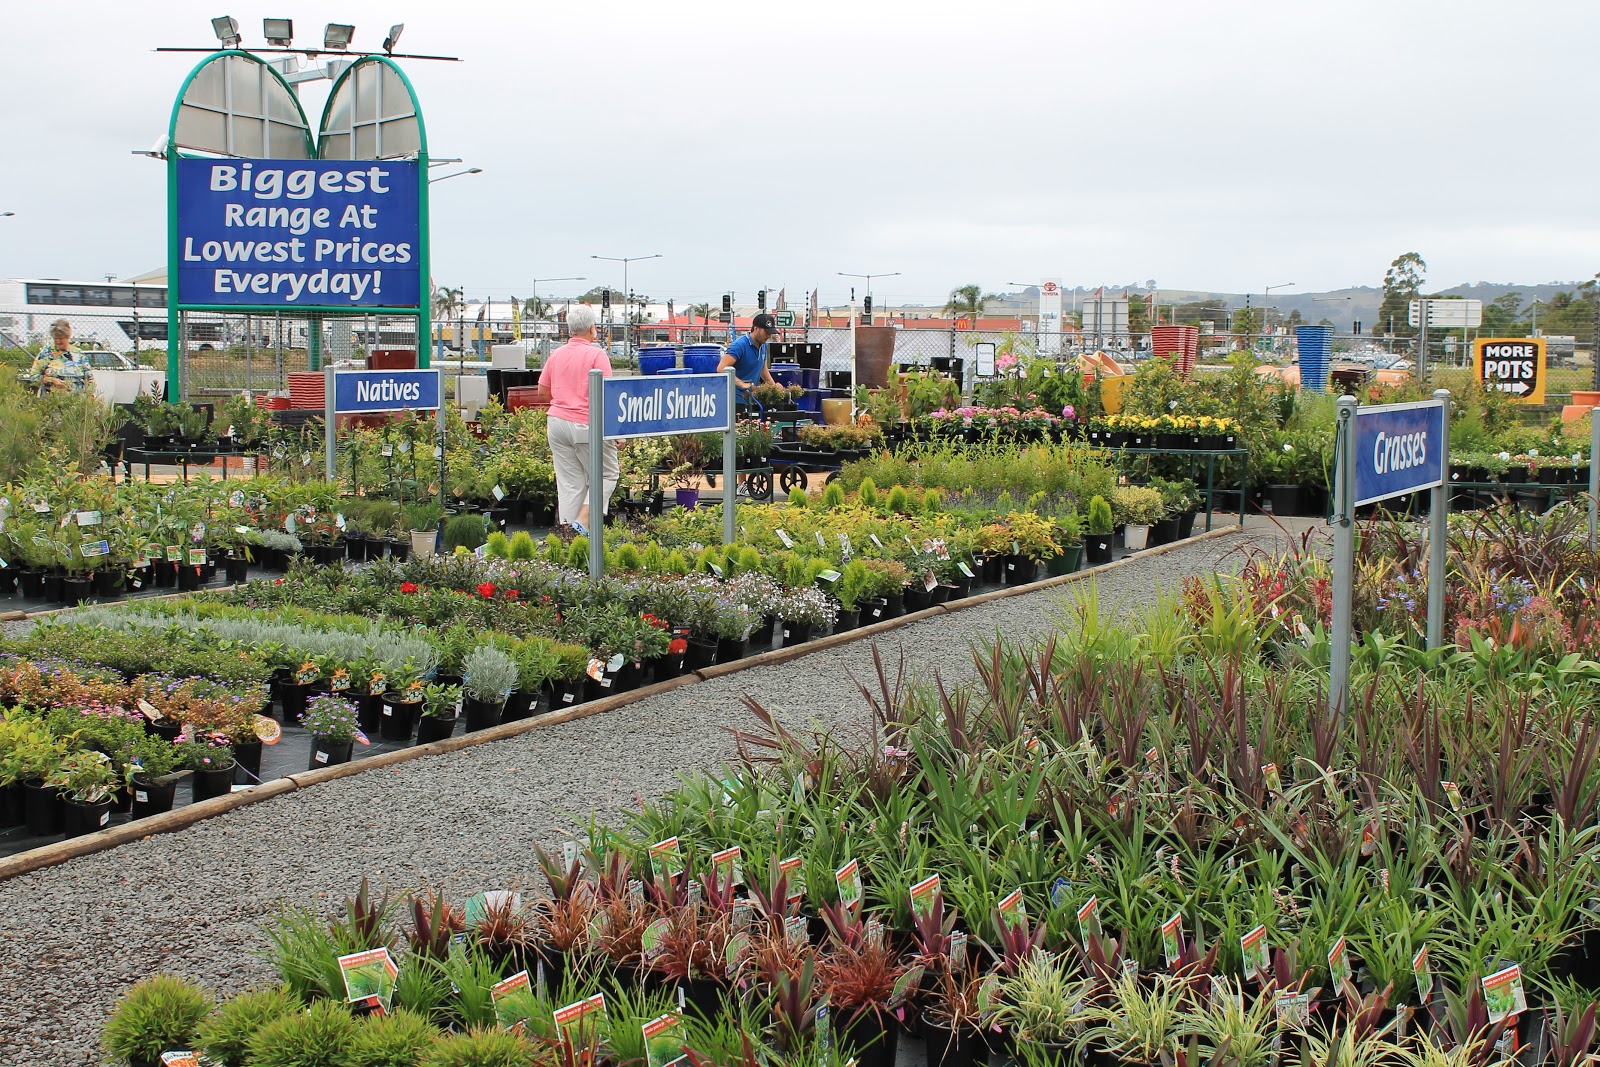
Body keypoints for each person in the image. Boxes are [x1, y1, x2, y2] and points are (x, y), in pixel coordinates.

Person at [538, 304, 619, 537]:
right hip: (585, 423)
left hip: (557, 422)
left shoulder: (556, 354)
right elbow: (606, 396)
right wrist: (616, 433)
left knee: (569, 482)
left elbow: (543, 392)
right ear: (593, 329)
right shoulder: (596, 354)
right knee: (606, 473)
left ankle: (567, 535)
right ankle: (583, 520)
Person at [718, 312, 780, 399]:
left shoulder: (763, 345)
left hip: (751, 399)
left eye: (770, 333)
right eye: (766, 332)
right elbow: (721, 369)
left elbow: (762, 369)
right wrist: (743, 384)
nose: (768, 336)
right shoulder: (740, 345)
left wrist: (774, 387)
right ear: (756, 328)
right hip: (734, 398)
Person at [26, 320, 86, 394]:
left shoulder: (78, 353)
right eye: (55, 338)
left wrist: (91, 397)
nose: (58, 341)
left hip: (77, 400)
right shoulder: (45, 354)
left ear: (68, 337)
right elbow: (33, 376)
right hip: (52, 400)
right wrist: (51, 380)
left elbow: (89, 378)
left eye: (61, 338)